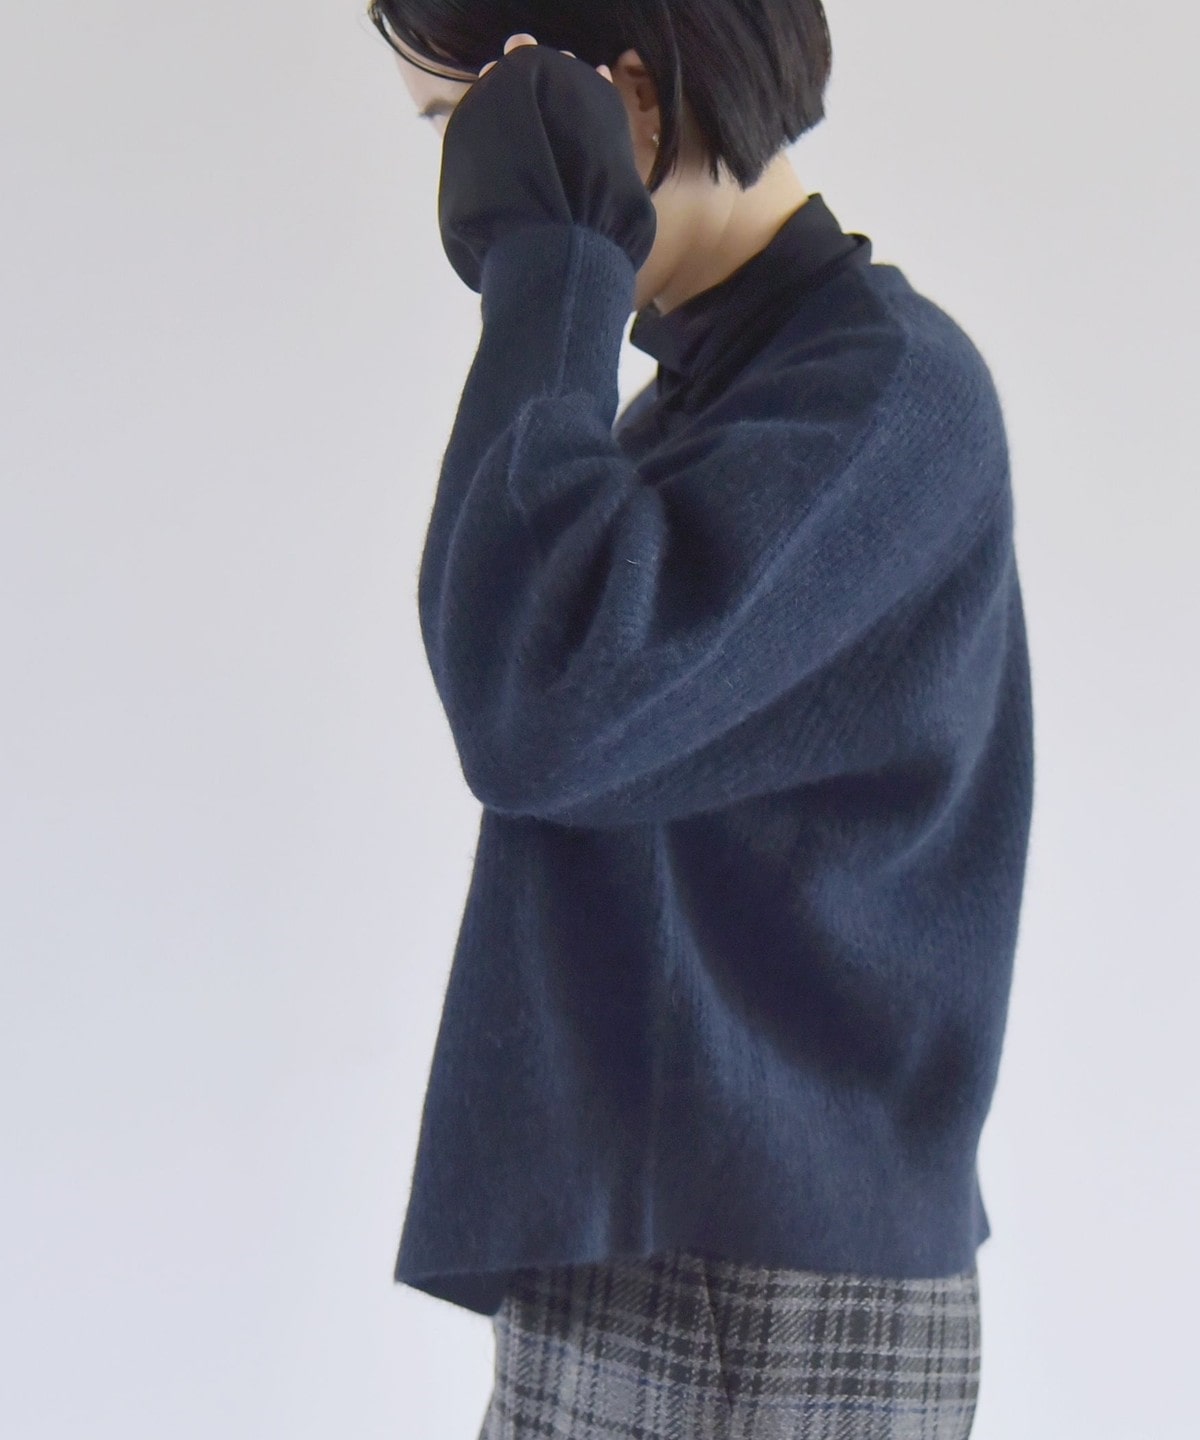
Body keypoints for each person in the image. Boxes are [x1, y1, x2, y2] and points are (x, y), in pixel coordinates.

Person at [368, 6, 1033, 1438]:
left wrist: (558, 264)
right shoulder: (712, 412)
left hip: (753, 1287)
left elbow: (537, 701)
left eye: (470, 129)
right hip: (694, 1245)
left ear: (624, 103)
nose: (472, 188)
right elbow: (521, 668)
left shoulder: (882, 394)